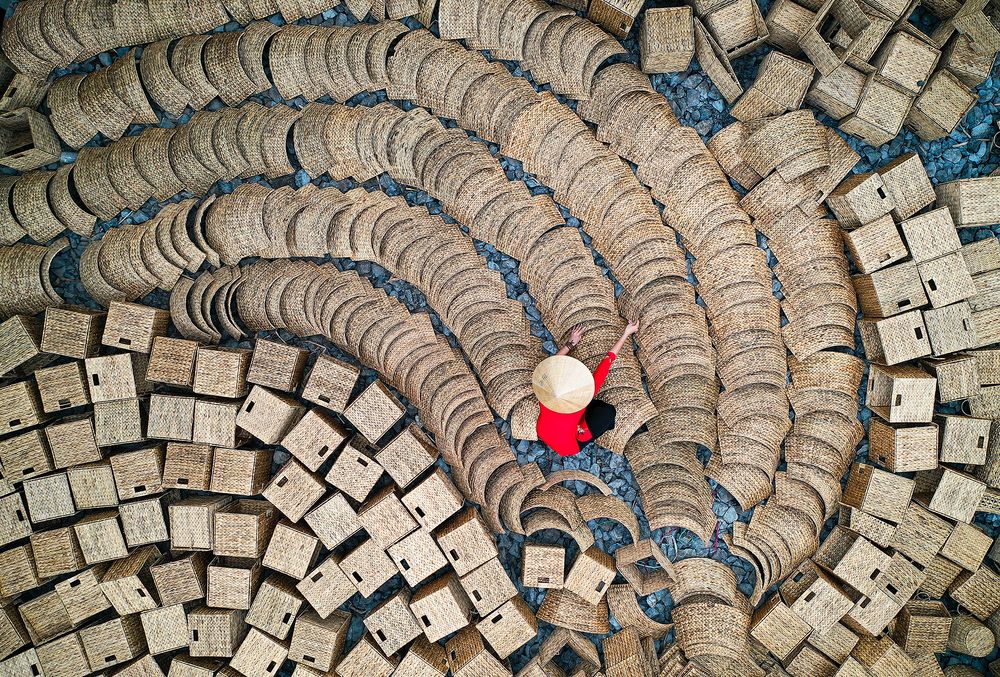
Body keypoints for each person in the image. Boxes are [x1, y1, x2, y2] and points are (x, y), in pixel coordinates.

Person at [532, 320, 640, 456]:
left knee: (590, 409)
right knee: (608, 412)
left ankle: (580, 422)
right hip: (568, 446)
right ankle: (583, 431)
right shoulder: (583, 396)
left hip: (543, 430)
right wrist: (626, 333)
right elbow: (607, 362)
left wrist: (571, 343)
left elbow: (551, 365)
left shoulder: (548, 390)